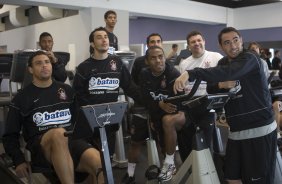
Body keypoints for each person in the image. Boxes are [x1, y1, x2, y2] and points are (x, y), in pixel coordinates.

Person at [174, 27, 277, 184]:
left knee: (258, 180)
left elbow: (230, 72)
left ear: (241, 40)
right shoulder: (222, 63)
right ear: (221, 46)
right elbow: (211, 87)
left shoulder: (250, 58)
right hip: (236, 131)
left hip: (258, 129)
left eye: (236, 40)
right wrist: (221, 85)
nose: (233, 45)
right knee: (232, 177)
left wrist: (191, 73)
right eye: (227, 43)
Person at [2, 51, 104, 184]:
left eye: (47, 62)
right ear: (30, 69)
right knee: (59, 133)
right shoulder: (21, 98)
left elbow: (80, 121)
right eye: (39, 63)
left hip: (71, 141)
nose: (44, 66)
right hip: (41, 147)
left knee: (100, 163)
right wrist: (19, 160)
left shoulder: (66, 90)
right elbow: (10, 135)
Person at [72, 27, 142, 181]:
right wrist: (91, 112)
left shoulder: (116, 63)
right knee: (93, 164)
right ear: (92, 43)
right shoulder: (84, 67)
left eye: (105, 37)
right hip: (89, 122)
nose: (104, 40)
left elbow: (130, 86)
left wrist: (148, 99)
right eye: (99, 37)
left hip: (110, 120)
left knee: (106, 161)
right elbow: (77, 95)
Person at [121, 33, 164, 184]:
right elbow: (132, 84)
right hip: (141, 108)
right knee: (135, 143)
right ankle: (130, 174)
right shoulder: (140, 62)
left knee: (161, 142)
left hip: (159, 109)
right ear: (147, 44)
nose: (155, 43)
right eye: (152, 42)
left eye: (158, 41)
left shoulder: (165, 64)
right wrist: (142, 99)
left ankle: (163, 172)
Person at [139, 46, 186, 182]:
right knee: (163, 147)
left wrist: (161, 105)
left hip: (181, 113)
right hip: (158, 113)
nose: (158, 60)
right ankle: (170, 165)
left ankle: (170, 163)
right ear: (147, 61)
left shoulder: (173, 74)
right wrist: (159, 104)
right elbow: (145, 98)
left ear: (165, 58)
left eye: (160, 56)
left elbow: (178, 104)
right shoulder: (144, 74)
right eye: (153, 58)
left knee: (168, 120)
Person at [177, 31, 223, 160]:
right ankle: (189, 167)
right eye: (193, 42)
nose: (197, 43)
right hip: (190, 104)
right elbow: (182, 88)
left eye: (199, 40)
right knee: (186, 138)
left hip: (209, 104)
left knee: (205, 140)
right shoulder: (184, 63)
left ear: (204, 42)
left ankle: (207, 166)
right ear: (188, 45)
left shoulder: (216, 57)